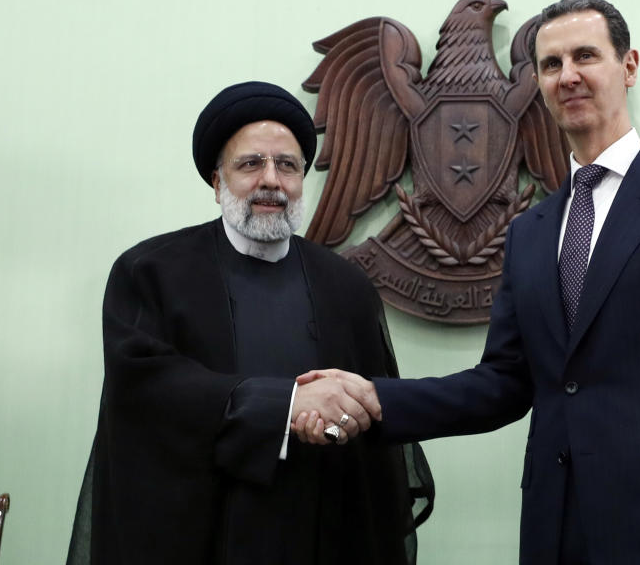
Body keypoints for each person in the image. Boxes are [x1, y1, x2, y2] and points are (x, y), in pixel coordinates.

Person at [295, 0, 640, 564]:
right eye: (550, 65)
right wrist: (376, 398)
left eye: (585, 56)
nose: (567, 76)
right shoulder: (531, 230)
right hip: (557, 529)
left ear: (628, 66)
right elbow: (504, 382)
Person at [66, 81, 433, 565]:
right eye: (250, 164)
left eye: (287, 166)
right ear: (217, 183)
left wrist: (344, 416)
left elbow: (373, 412)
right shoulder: (150, 272)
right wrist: (286, 405)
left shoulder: (345, 286)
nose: (271, 181)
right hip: (199, 532)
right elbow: (147, 394)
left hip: (320, 527)